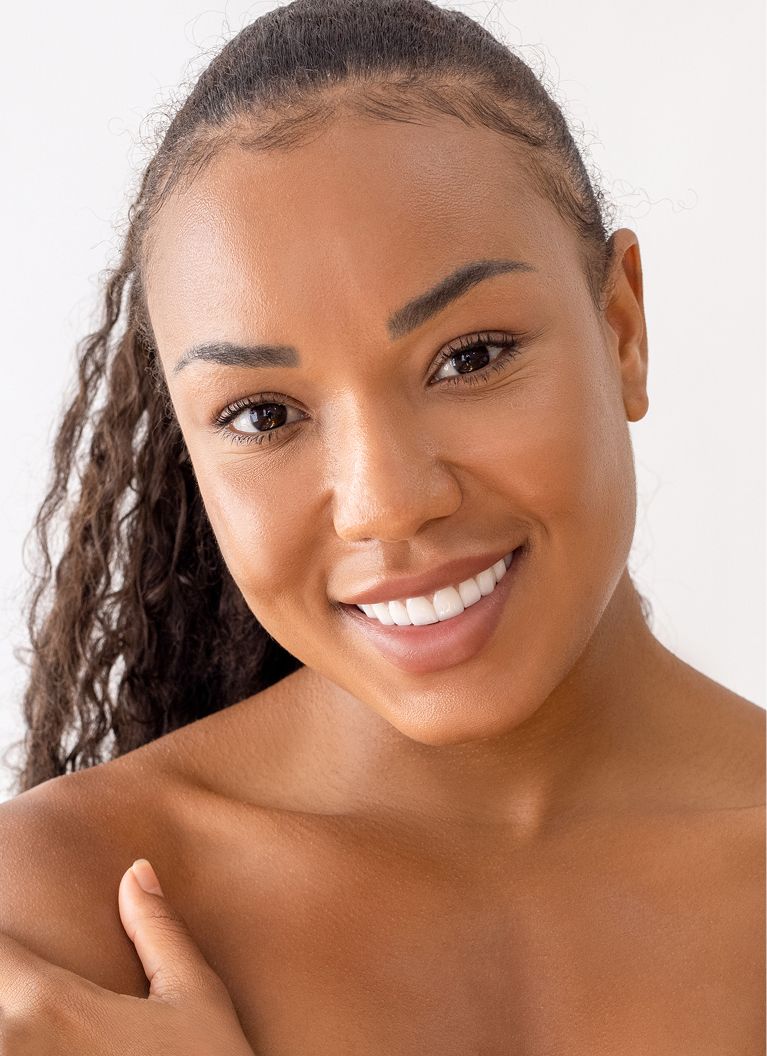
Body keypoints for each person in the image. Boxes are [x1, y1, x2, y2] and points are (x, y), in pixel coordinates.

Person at [0, 0, 763, 1050]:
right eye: (262, 416)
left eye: (471, 357)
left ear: (620, 330)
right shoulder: (50, 926)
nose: (386, 501)